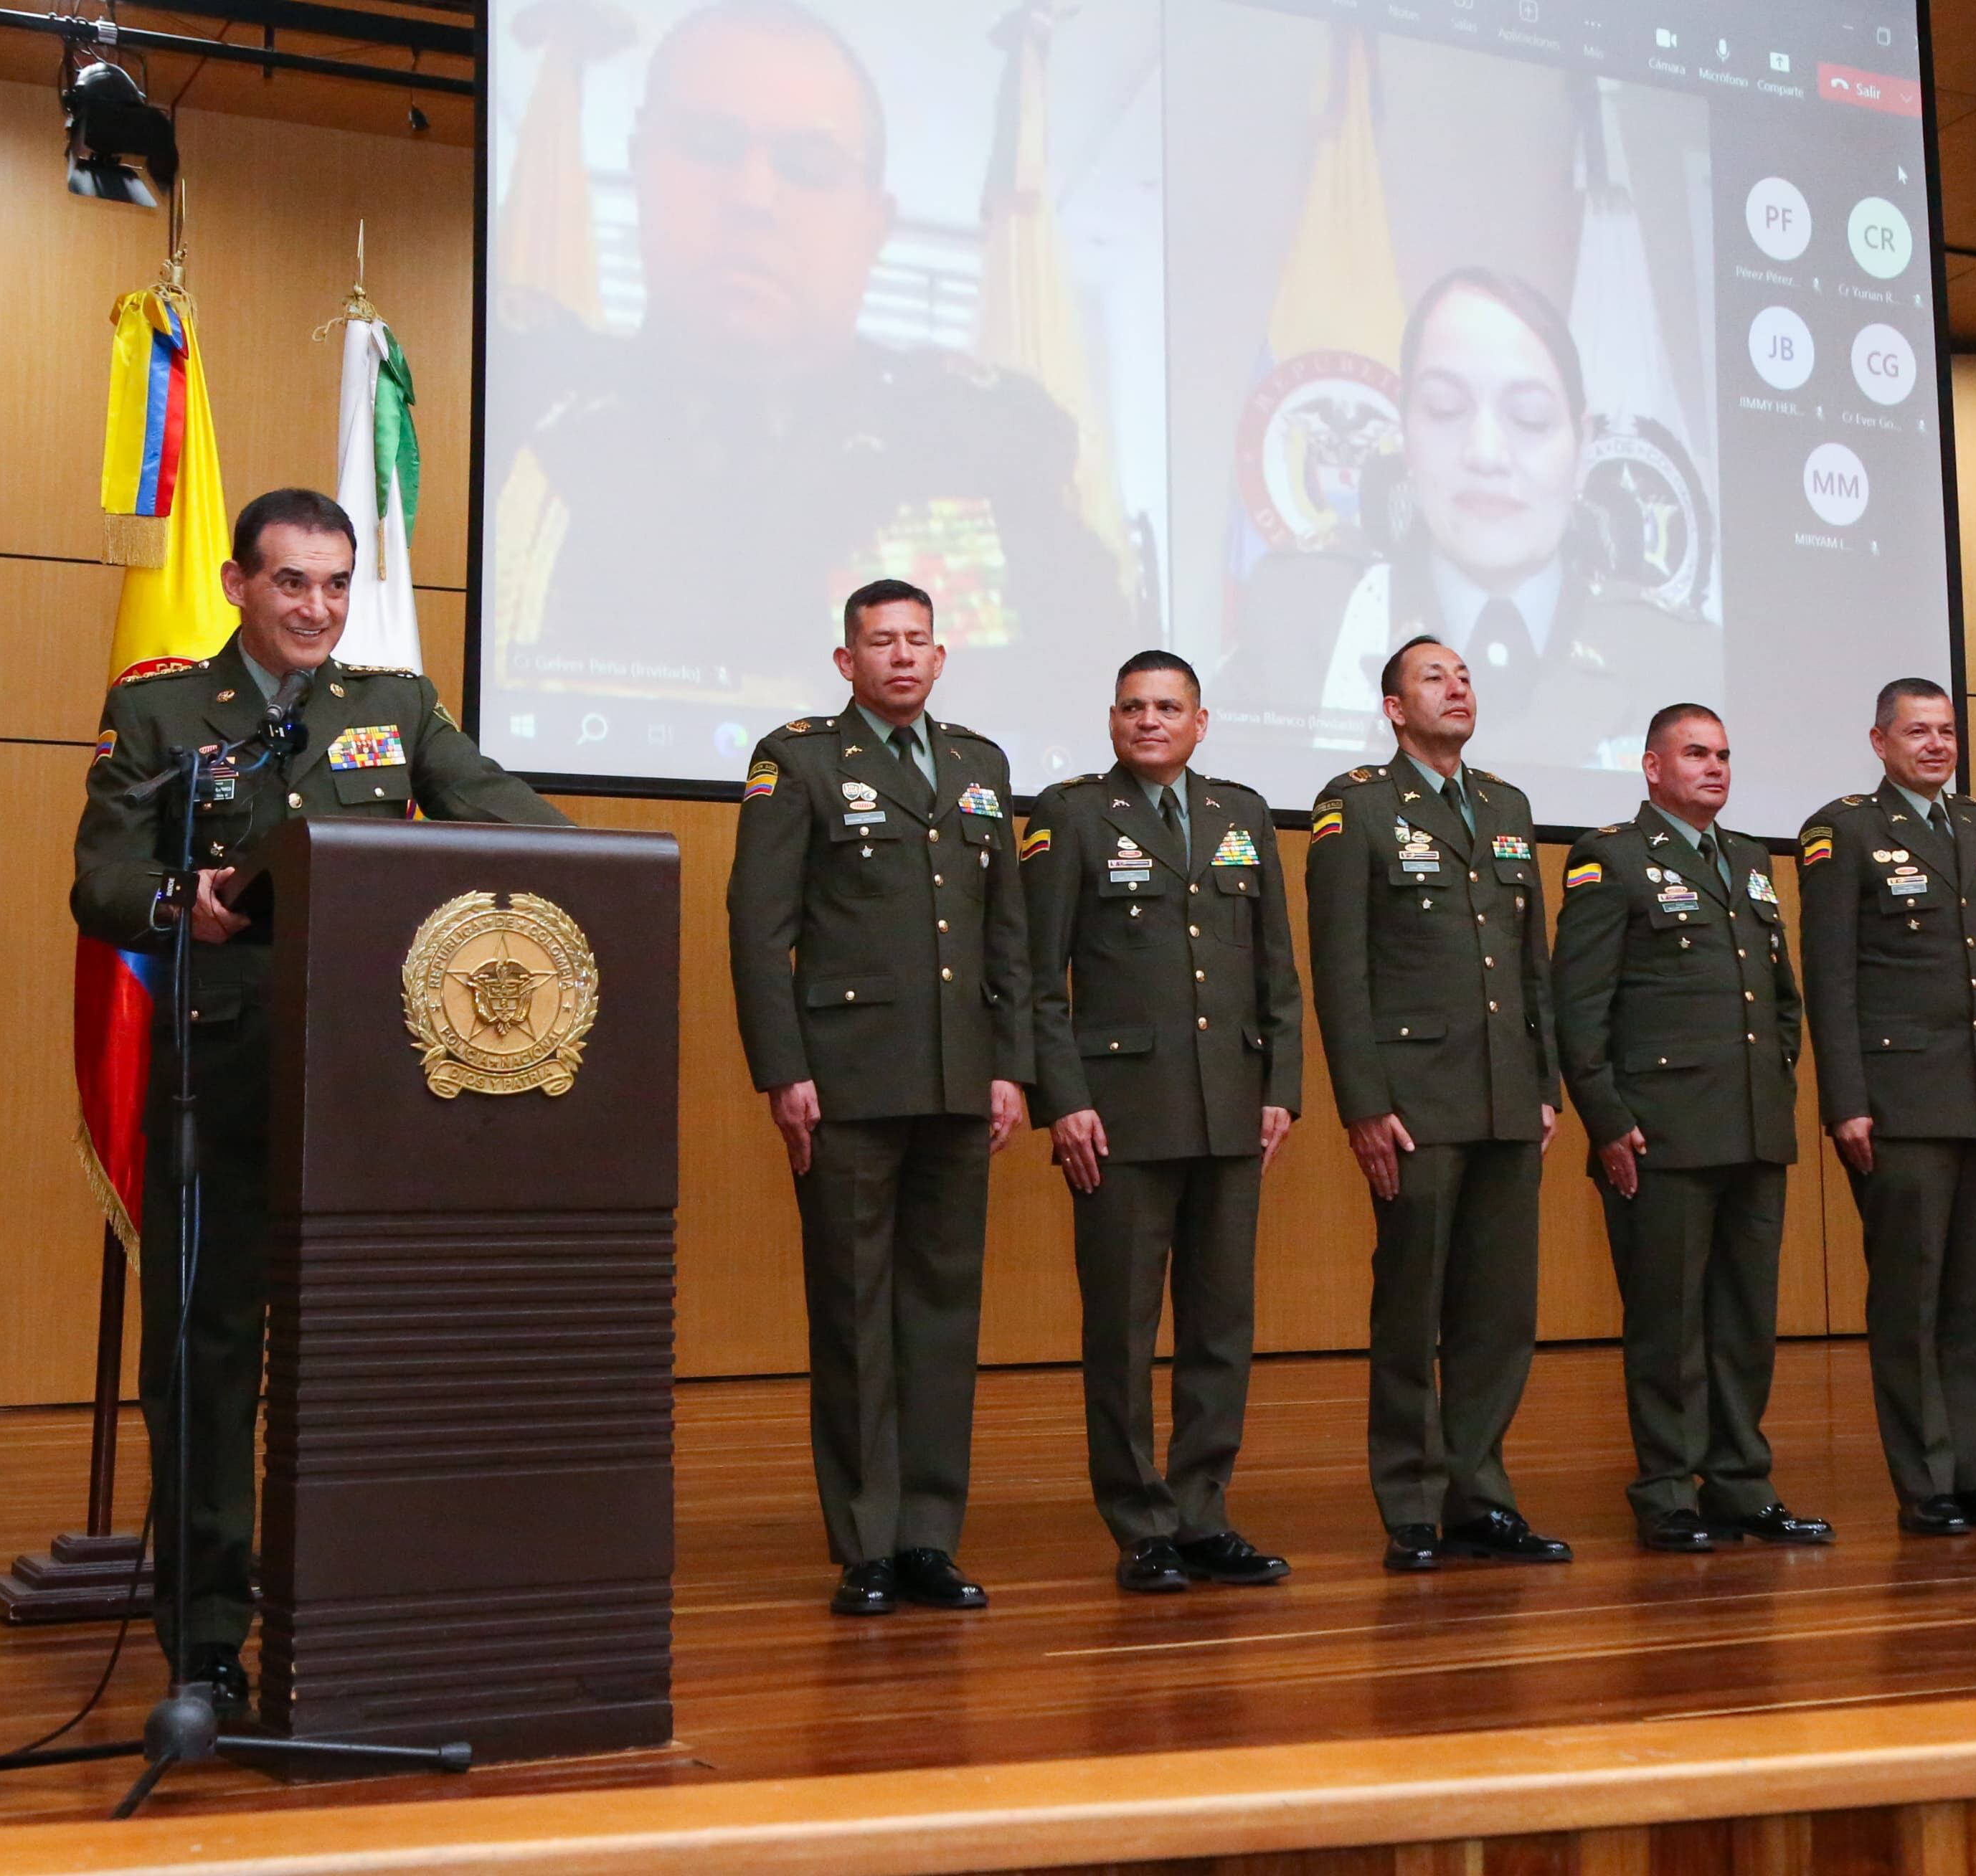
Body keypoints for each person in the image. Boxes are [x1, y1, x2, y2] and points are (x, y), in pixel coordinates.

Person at [73, 488, 569, 1702]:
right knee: (207, 1359)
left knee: (366, 1354)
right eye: (292, 581)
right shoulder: (162, 710)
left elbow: (504, 809)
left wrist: (588, 863)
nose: (317, 607)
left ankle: (359, 1603)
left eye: (338, 583)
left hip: (369, 1087)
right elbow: (101, 879)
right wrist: (175, 899)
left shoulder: (392, 707)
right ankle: (206, 1634)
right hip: (223, 1076)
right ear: (238, 584)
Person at [481, 0, 1133, 741]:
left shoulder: (984, 452)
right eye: (709, 146)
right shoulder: (523, 419)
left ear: (874, 224)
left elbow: (1083, 731)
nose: (753, 197)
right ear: (640, 171)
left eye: (809, 166)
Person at [727, 577, 1033, 1616]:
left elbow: (1005, 934)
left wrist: (1009, 1065)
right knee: (855, 1314)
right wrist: (784, 1071)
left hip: (958, 1077)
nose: (901, 656)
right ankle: (865, 1542)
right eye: (880, 642)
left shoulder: (980, 765)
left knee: (942, 1316)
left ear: (940, 657)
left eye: (917, 641)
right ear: (845, 661)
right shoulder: (799, 759)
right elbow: (759, 928)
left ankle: (928, 1538)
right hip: (848, 1080)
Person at [1022, 652, 1301, 1594]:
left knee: (1220, 1328)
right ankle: (1141, 1524)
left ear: (1199, 722)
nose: (1150, 720)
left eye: (1168, 707)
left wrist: (1280, 1087)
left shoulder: (1241, 815)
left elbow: (1276, 970)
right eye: (1134, 707)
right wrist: (1064, 1100)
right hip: (1120, 1117)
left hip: (1230, 1108)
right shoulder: (1071, 815)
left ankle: (1202, 1513)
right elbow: (1038, 980)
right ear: (1112, 720)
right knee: (1123, 1333)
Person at [1305, 635, 1571, 1572]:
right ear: (1393, 708)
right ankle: (1413, 1504)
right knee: (1411, 1310)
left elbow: (1531, 962)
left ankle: (1480, 1496)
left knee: (1498, 1315)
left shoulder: (1506, 805)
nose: (1456, 688)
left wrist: (1544, 1085)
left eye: (1463, 677)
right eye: (1433, 677)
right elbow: (1341, 969)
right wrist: (1363, 1103)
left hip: (1506, 1096)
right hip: (1415, 1101)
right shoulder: (1356, 806)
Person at [1231, 270, 1711, 774]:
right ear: (1406, 433)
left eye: (1529, 417)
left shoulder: (1679, 654)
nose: (1485, 453)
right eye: (1445, 409)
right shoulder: (1307, 613)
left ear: (1582, 445)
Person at [1555, 704, 1826, 1554]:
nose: (1715, 768)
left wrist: (1769, 1082)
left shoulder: (1746, 859)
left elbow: (1780, 1000)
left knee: (1744, 1325)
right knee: (1668, 1327)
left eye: (1723, 755)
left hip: (1751, 1127)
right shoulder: (1609, 858)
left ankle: (1741, 1484)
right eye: (1695, 754)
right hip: (1659, 1134)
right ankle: (1668, 1490)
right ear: (1651, 767)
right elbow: (1578, 1007)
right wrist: (1606, 1121)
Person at [1795, 679, 1976, 1539]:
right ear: (1879, 742)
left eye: (1945, 731)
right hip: (1899, 1101)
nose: (1935, 744)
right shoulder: (1843, 831)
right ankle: (1926, 1481)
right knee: (1910, 1301)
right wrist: (1845, 1102)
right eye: (1917, 732)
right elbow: (1829, 978)